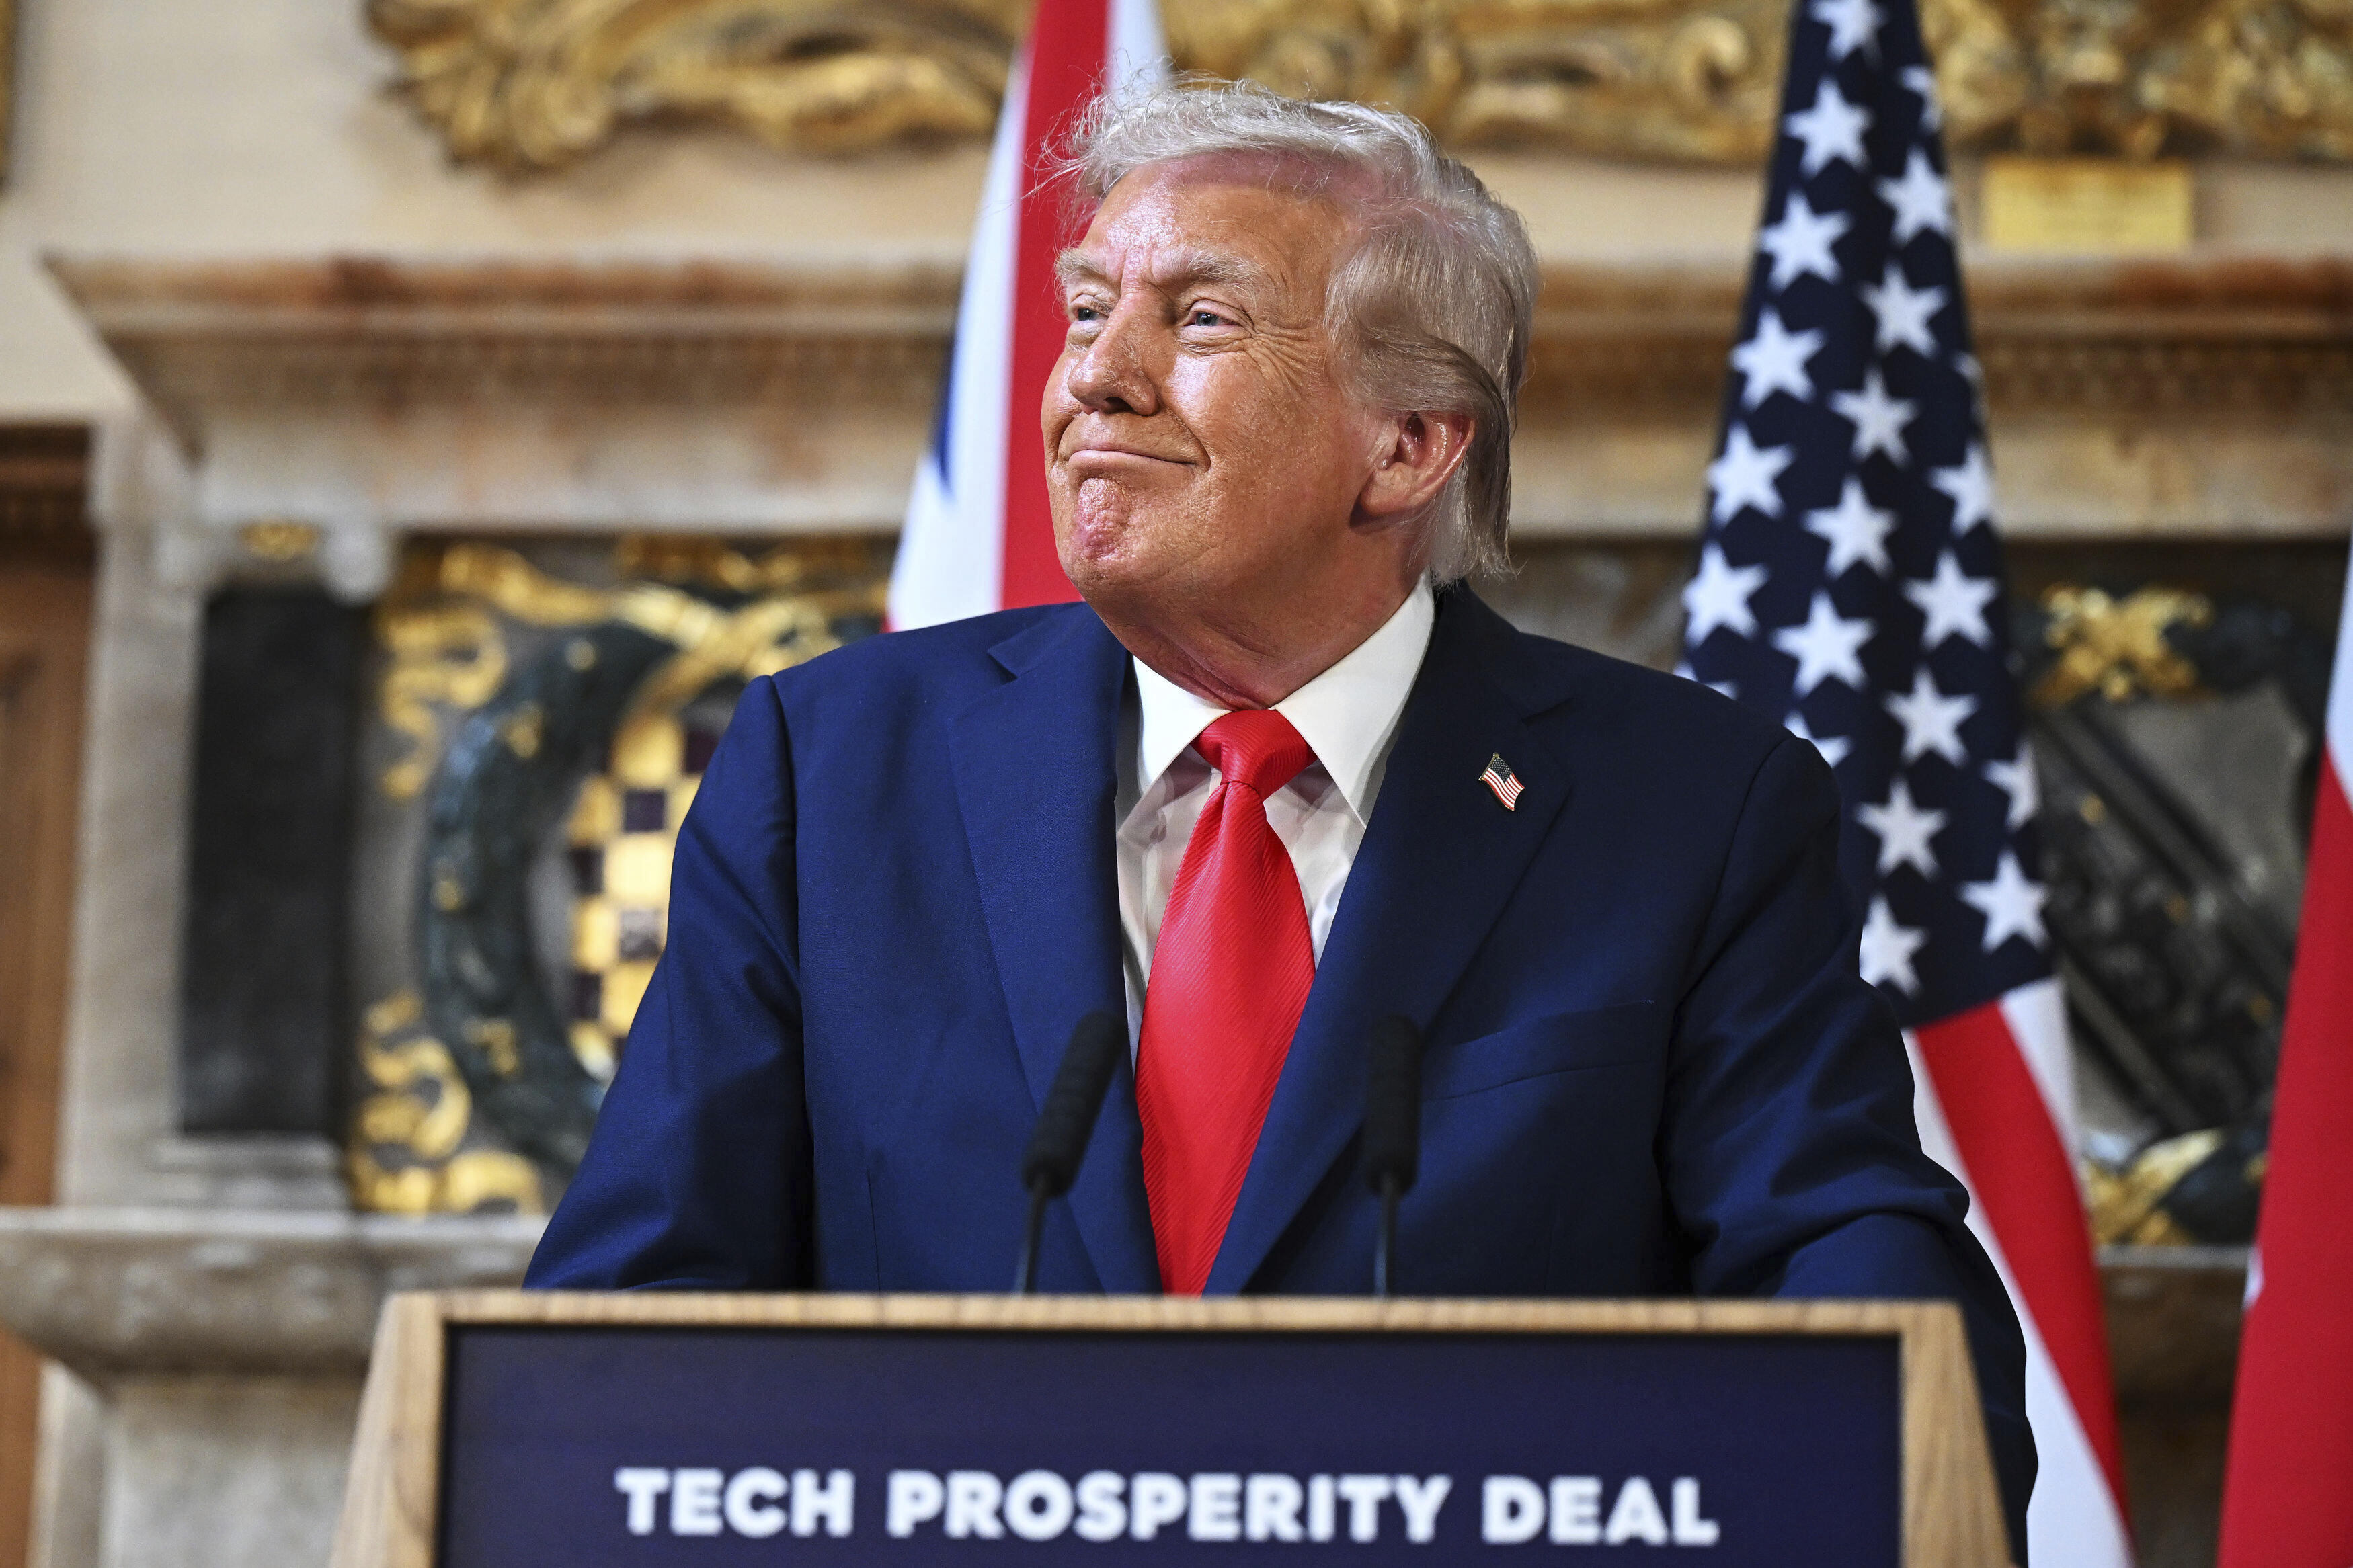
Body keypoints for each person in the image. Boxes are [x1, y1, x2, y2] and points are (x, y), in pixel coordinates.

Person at [526, 79, 2034, 1554]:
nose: (1094, 379)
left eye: (1197, 319)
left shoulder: (1690, 806)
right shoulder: (831, 765)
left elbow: (1849, 1273)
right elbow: (634, 1310)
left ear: (1409, 444)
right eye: (1084, 309)